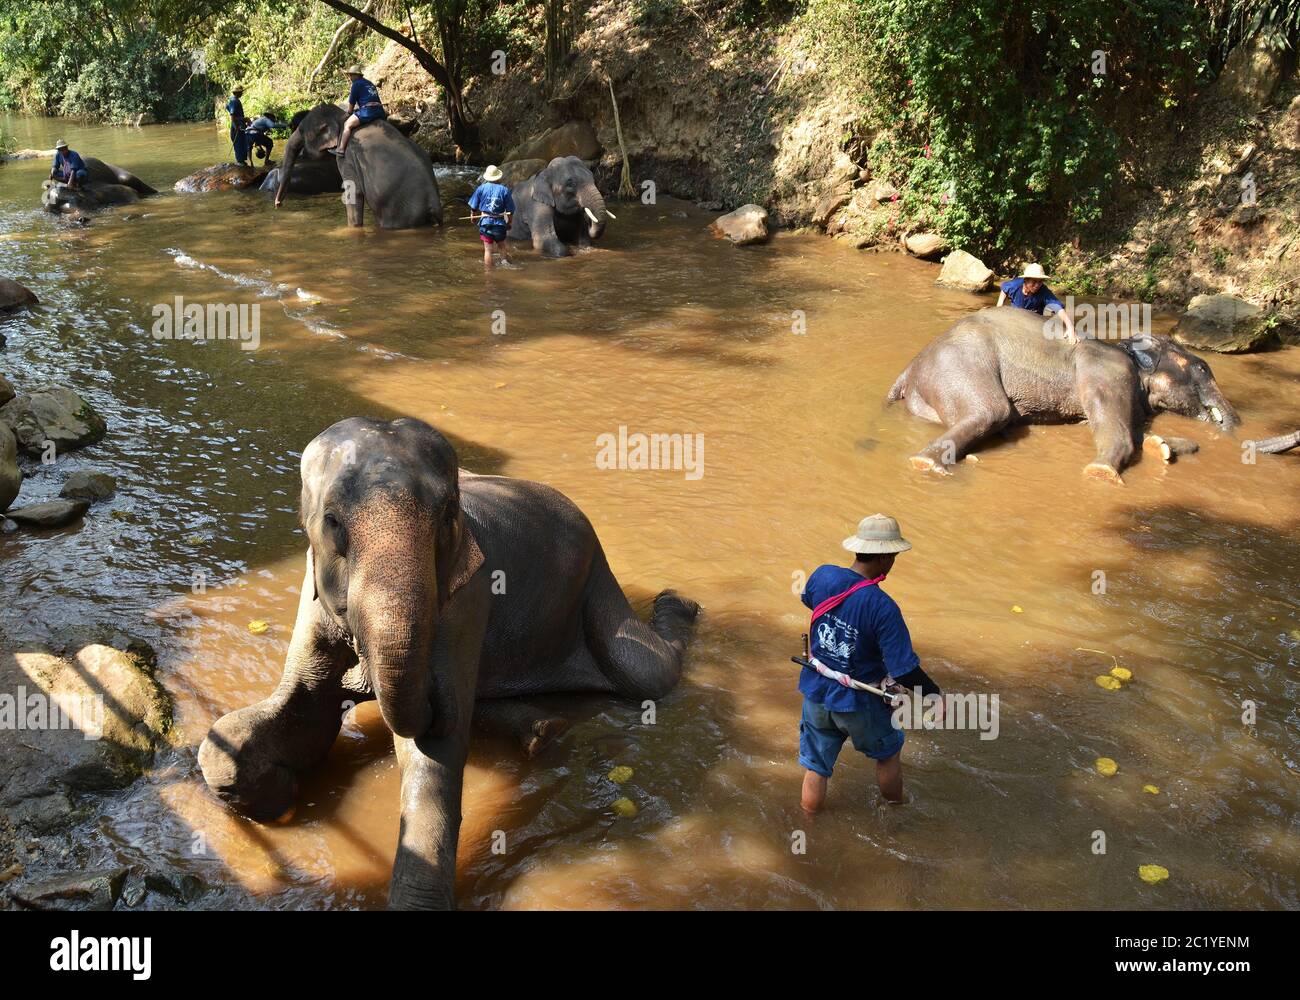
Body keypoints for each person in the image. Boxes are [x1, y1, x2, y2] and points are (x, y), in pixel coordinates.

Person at [797, 514, 941, 813]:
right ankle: (896, 815)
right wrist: (934, 697)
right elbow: (904, 669)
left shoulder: (823, 576)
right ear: (886, 557)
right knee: (887, 756)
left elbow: (808, 600)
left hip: (817, 692)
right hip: (861, 701)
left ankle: (808, 826)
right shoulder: (883, 607)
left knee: (816, 767)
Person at [996, 263, 1077, 342]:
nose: (1037, 285)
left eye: (1040, 281)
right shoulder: (1014, 285)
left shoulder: (1043, 291)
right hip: (1016, 316)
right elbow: (1004, 289)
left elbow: (1058, 308)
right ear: (1026, 280)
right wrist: (999, 308)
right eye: (1034, 281)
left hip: (1034, 319)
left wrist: (1070, 327)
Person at [332, 65, 387, 157]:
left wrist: (347, 115)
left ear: (356, 75)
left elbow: (350, 108)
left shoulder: (356, 84)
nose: (350, 77)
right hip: (380, 110)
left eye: (351, 75)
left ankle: (341, 149)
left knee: (347, 125)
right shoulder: (370, 83)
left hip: (368, 111)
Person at [467, 166, 515, 267]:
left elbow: (473, 206)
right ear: (498, 178)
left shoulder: (481, 189)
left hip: (485, 224)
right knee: (501, 246)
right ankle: (505, 264)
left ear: (487, 177)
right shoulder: (504, 190)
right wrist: (509, 222)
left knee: (488, 250)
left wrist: (472, 216)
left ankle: (488, 272)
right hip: (499, 225)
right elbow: (510, 210)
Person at [226, 85, 250, 166]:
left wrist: (243, 119)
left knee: (242, 143)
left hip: (240, 125)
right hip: (237, 127)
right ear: (237, 92)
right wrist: (236, 127)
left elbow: (229, 109)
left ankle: (242, 161)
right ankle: (240, 162)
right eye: (241, 92)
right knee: (239, 144)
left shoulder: (233, 100)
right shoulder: (234, 101)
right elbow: (232, 115)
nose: (242, 93)